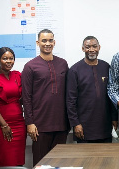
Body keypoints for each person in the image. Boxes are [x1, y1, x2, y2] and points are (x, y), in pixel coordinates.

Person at [22, 29, 69, 166]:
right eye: (44, 40)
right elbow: (26, 97)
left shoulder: (63, 64)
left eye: (50, 40)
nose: (47, 43)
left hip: (61, 124)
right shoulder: (30, 66)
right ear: (38, 43)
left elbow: (68, 93)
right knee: (41, 164)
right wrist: (29, 123)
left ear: (54, 42)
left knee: (59, 163)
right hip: (39, 126)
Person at [66, 36, 118, 143]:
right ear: (83, 49)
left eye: (94, 46)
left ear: (99, 47)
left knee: (106, 159)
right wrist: (75, 123)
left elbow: (112, 94)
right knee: (86, 159)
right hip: (84, 127)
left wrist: (114, 118)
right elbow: (70, 100)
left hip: (105, 125)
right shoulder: (74, 70)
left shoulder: (106, 67)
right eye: (88, 47)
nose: (91, 49)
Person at [0, 47, 26, 166]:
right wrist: (4, 125)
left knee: (18, 162)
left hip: (19, 124)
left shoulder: (17, 75)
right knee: (7, 162)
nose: (8, 61)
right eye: (5, 58)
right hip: (1, 126)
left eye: (11, 58)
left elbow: (22, 98)